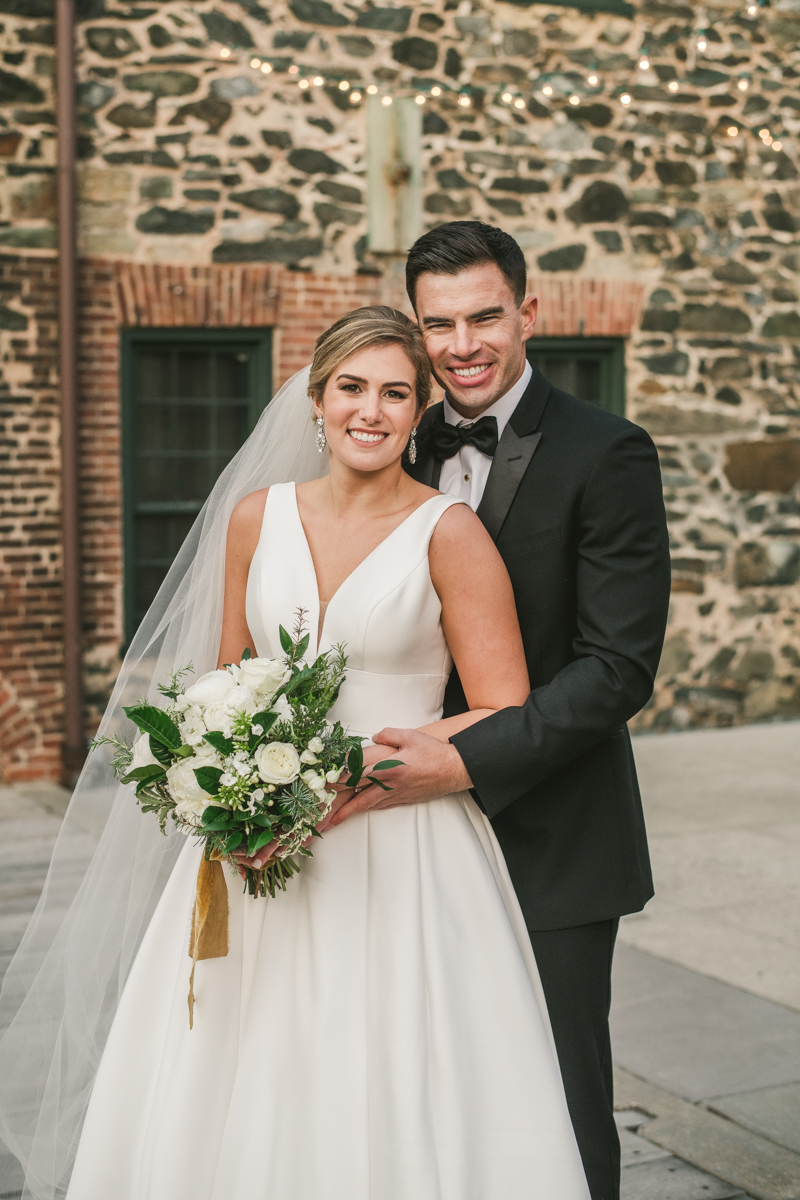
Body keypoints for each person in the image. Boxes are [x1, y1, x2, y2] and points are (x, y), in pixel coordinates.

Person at [1, 306, 590, 1199]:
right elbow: (225, 676)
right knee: (241, 1062)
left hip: (400, 845)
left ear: (417, 413)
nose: (372, 410)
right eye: (352, 387)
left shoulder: (450, 533)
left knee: (385, 1066)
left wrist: (354, 766)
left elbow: (504, 706)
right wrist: (220, 782)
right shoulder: (254, 517)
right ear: (316, 400)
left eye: (396, 393)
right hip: (254, 842)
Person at [332, 223, 672, 1200]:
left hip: (553, 839)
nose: (462, 344)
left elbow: (614, 670)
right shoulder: (395, 440)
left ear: (528, 313)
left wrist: (464, 758)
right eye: (437, 324)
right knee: (425, 1094)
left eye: (484, 316)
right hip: (401, 837)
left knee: (557, 1109)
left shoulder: (607, 451)